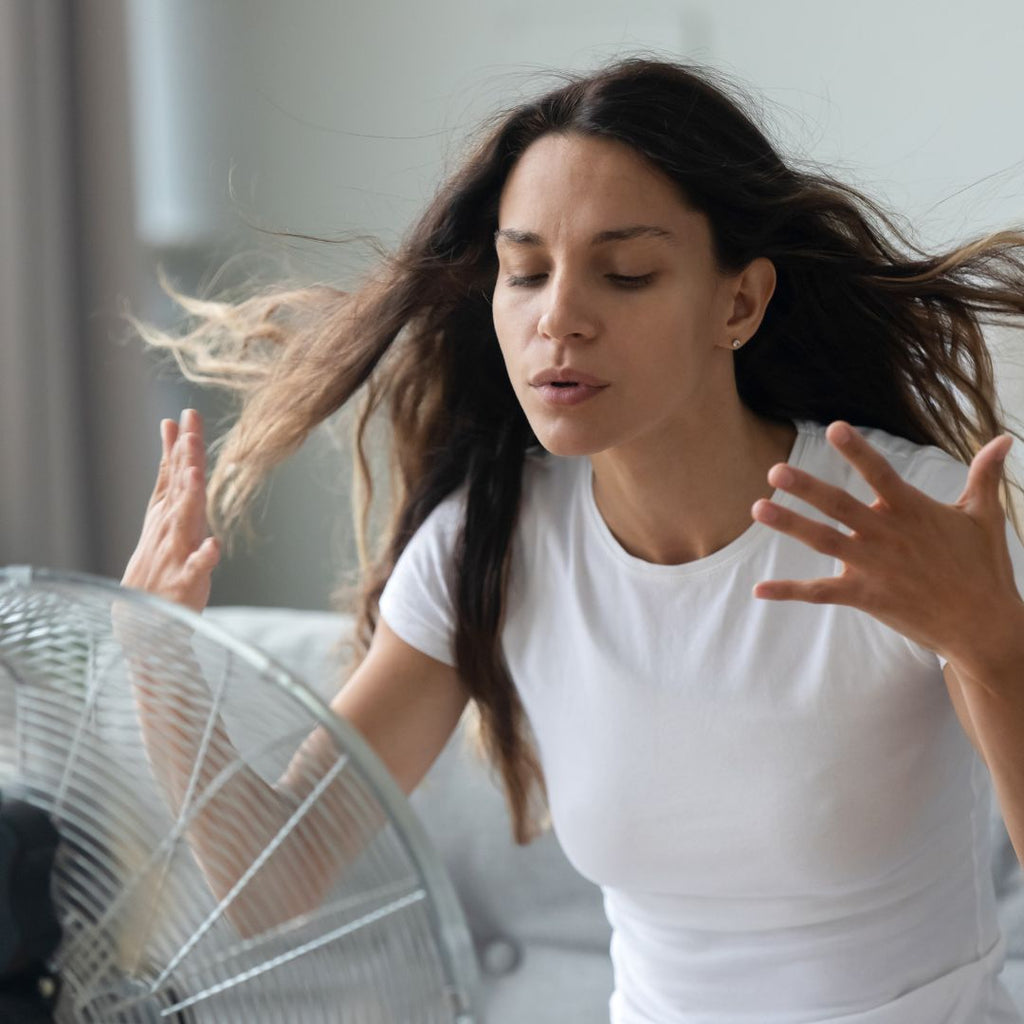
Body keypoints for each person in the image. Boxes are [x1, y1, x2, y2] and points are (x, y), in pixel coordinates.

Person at [122, 57, 1024, 1022]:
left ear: (739, 303)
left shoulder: (900, 515)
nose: (559, 319)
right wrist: (155, 649)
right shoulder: (488, 547)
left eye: (625, 273)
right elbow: (273, 880)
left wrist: (995, 646)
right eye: (525, 273)